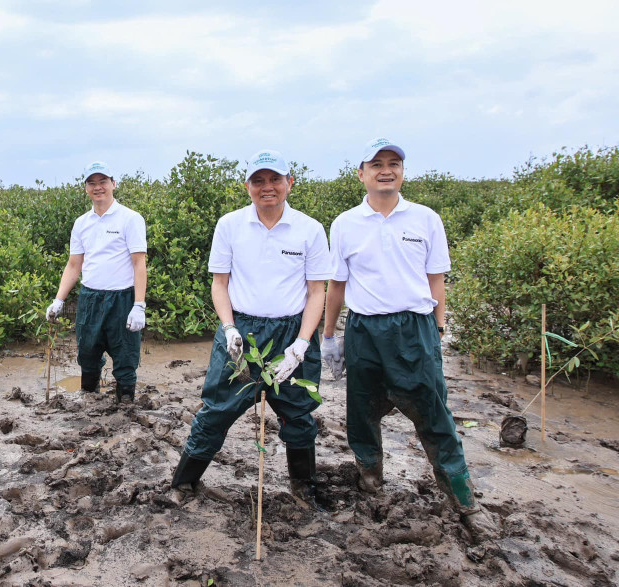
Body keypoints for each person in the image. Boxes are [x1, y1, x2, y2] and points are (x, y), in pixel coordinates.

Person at [321, 138, 497, 542]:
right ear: (361, 173)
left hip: (414, 328)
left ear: (403, 171)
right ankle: (370, 482)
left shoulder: (425, 218)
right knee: (361, 413)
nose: (386, 170)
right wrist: (330, 337)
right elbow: (337, 284)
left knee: (434, 415)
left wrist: (437, 329)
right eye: (377, 163)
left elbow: (437, 279)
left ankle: (463, 499)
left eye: (394, 163)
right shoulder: (345, 222)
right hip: (364, 330)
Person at [171, 150, 333, 507]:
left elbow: (316, 292)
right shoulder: (230, 225)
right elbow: (219, 284)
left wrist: (301, 345)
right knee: (217, 409)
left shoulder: (310, 229)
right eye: (258, 180)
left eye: (275, 179)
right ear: (247, 186)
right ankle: (183, 483)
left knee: (299, 412)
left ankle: (303, 487)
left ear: (290, 182)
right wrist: (229, 328)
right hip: (241, 333)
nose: (267, 187)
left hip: (291, 331)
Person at [45, 161, 147, 403]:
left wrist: (139, 305)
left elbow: (139, 264)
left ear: (113, 184)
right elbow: (73, 265)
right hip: (90, 299)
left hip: (122, 299)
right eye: (92, 183)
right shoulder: (81, 223)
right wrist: (58, 300)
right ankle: (89, 402)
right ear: (86, 188)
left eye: (103, 182)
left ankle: (125, 406)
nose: (98, 187)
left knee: (125, 357)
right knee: (87, 354)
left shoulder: (130, 219)